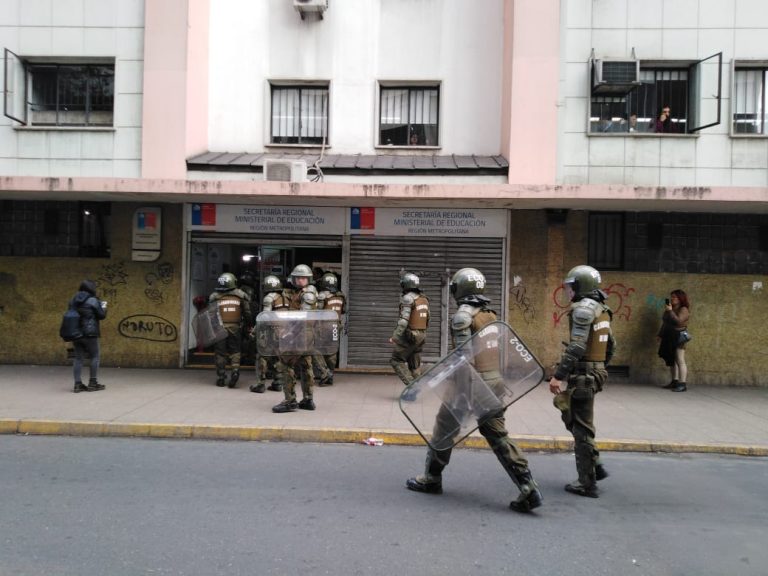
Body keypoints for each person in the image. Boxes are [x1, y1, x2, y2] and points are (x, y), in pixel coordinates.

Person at [405, 268, 543, 513]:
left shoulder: (463, 316)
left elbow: (463, 358)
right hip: (494, 381)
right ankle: (527, 485)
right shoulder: (489, 314)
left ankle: (432, 479)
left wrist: (438, 378)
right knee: (497, 435)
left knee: (444, 429)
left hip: (469, 385)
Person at [549, 265, 616, 498]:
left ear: (581, 286)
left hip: (584, 376)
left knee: (581, 429)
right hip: (594, 373)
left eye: (571, 286)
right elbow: (611, 346)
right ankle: (595, 464)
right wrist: (600, 367)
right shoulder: (602, 309)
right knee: (572, 416)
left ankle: (586, 483)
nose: (569, 291)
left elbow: (577, 345)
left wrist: (559, 375)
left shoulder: (583, 310)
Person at [272, 264, 319, 413]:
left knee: (286, 364)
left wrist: (289, 334)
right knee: (306, 365)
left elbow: (302, 318)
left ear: (309, 279)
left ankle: (290, 400)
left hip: (300, 335)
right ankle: (307, 400)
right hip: (306, 336)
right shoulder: (299, 292)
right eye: (298, 277)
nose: (300, 280)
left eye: (303, 278)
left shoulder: (308, 294)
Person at [389, 272, 430, 400]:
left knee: (396, 360)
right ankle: (415, 390)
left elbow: (403, 321)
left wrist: (395, 336)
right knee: (414, 363)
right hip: (421, 335)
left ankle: (412, 388)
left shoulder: (408, 298)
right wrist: (422, 333)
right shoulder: (423, 298)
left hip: (411, 335)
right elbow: (428, 318)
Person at [208, 272, 251, 388]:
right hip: (235, 327)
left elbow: (211, 315)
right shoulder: (241, 295)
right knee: (235, 351)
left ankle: (221, 377)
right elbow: (247, 313)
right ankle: (235, 371)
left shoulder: (214, 296)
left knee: (220, 353)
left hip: (219, 328)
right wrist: (249, 325)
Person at [250, 274, 287, 394]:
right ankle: (278, 382)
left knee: (262, 355)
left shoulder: (268, 298)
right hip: (284, 331)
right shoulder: (285, 297)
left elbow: (265, 317)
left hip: (271, 331)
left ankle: (260, 384)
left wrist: (254, 331)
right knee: (278, 357)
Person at [69, 279, 107, 393]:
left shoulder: (73, 300)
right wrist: (104, 306)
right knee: (95, 356)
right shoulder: (93, 300)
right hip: (90, 333)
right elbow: (101, 315)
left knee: (78, 358)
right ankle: (93, 383)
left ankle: (77, 384)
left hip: (75, 333)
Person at [312, 272, 346, 387]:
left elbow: (317, 312)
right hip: (336, 326)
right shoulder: (341, 295)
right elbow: (344, 310)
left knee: (315, 350)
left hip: (323, 327)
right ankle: (330, 375)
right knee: (331, 351)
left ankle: (324, 373)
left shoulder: (322, 295)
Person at [657, 289, 691, 392]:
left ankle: (682, 383)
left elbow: (678, 322)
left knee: (680, 359)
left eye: (675, 297)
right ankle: (674, 381)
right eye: (672, 296)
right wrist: (660, 334)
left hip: (679, 335)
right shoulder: (670, 308)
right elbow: (666, 322)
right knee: (672, 359)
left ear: (681, 299)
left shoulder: (683, 309)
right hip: (669, 335)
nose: (672, 299)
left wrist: (670, 311)